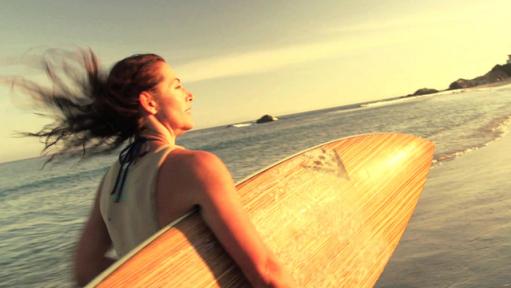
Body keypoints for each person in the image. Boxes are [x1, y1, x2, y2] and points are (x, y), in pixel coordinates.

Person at [16, 49, 294, 287]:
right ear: (149, 102)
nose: (190, 95)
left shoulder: (110, 181)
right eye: (176, 85)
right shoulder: (197, 167)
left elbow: (85, 268)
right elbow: (267, 273)